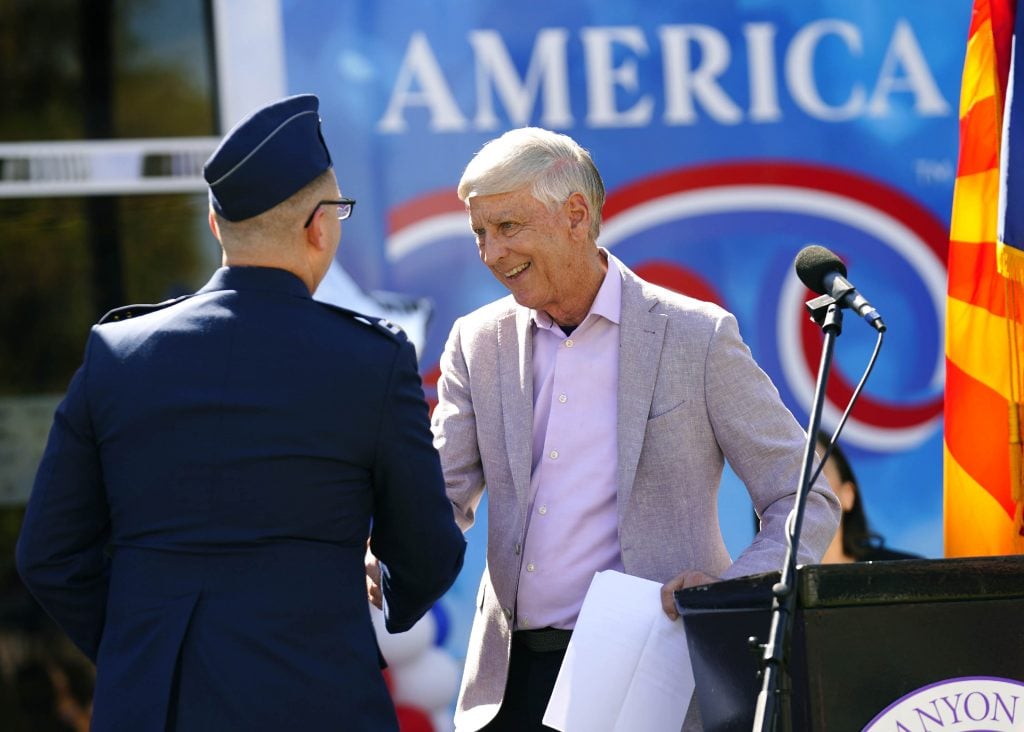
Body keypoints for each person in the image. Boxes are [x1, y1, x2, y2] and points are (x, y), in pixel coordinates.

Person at [15, 93, 466, 731]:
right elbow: (428, 549)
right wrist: (387, 598)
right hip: (318, 698)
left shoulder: (118, 352)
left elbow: (48, 554)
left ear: (214, 224)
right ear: (319, 226)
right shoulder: (371, 360)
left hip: (157, 705)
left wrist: (138, 651)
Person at [430, 127, 842, 731]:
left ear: (576, 215)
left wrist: (729, 594)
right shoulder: (476, 342)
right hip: (511, 685)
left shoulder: (697, 335)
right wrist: (379, 557)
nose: (491, 253)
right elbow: (439, 496)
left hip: (656, 677)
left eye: (507, 227)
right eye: (479, 233)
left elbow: (804, 497)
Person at [816, 432, 920, 563]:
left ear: (848, 496)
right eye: (792, 474)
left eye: (815, 472)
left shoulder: (907, 570)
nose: (799, 484)